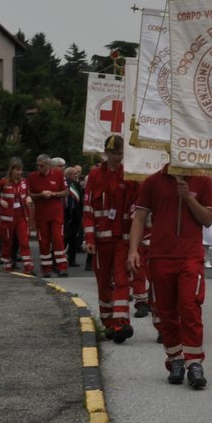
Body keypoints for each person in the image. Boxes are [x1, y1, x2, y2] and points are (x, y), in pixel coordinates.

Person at [128, 164, 212, 390]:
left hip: (190, 257)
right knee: (164, 311)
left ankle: (195, 363)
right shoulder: (152, 182)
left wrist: (188, 197)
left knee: (189, 306)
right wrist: (133, 250)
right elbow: (139, 218)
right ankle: (175, 359)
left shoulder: (203, 180)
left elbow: (207, 219)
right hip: (160, 256)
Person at [83, 135, 138, 342]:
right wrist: (89, 238)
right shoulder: (95, 175)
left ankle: (121, 324)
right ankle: (107, 324)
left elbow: (136, 204)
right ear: (105, 152)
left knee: (122, 280)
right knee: (103, 283)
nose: (116, 157)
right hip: (100, 241)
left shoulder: (130, 175)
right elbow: (87, 209)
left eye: (119, 153)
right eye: (113, 153)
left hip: (122, 239)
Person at [27, 154, 69, 277]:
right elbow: (29, 194)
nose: (39, 168)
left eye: (41, 165)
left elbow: (66, 192)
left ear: (49, 165)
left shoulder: (58, 175)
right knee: (43, 242)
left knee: (58, 240)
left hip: (56, 214)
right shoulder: (32, 177)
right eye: (37, 165)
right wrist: (40, 195)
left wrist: (53, 194)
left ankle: (62, 267)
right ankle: (46, 269)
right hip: (41, 215)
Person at [0, 159, 33, 273]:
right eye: (17, 170)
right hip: (8, 218)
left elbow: (28, 193)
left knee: (24, 241)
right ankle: (7, 263)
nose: (19, 172)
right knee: (7, 242)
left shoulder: (24, 181)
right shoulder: (3, 182)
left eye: (21, 170)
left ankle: (28, 266)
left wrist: (28, 197)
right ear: (11, 170)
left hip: (21, 215)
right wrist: (0, 200)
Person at [63, 163, 85, 268]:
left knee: (73, 239)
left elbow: (80, 199)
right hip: (66, 214)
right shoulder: (65, 184)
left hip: (76, 215)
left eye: (77, 174)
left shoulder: (76, 184)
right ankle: (58, 258)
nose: (76, 176)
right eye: (74, 174)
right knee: (65, 238)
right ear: (67, 175)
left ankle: (72, 260)